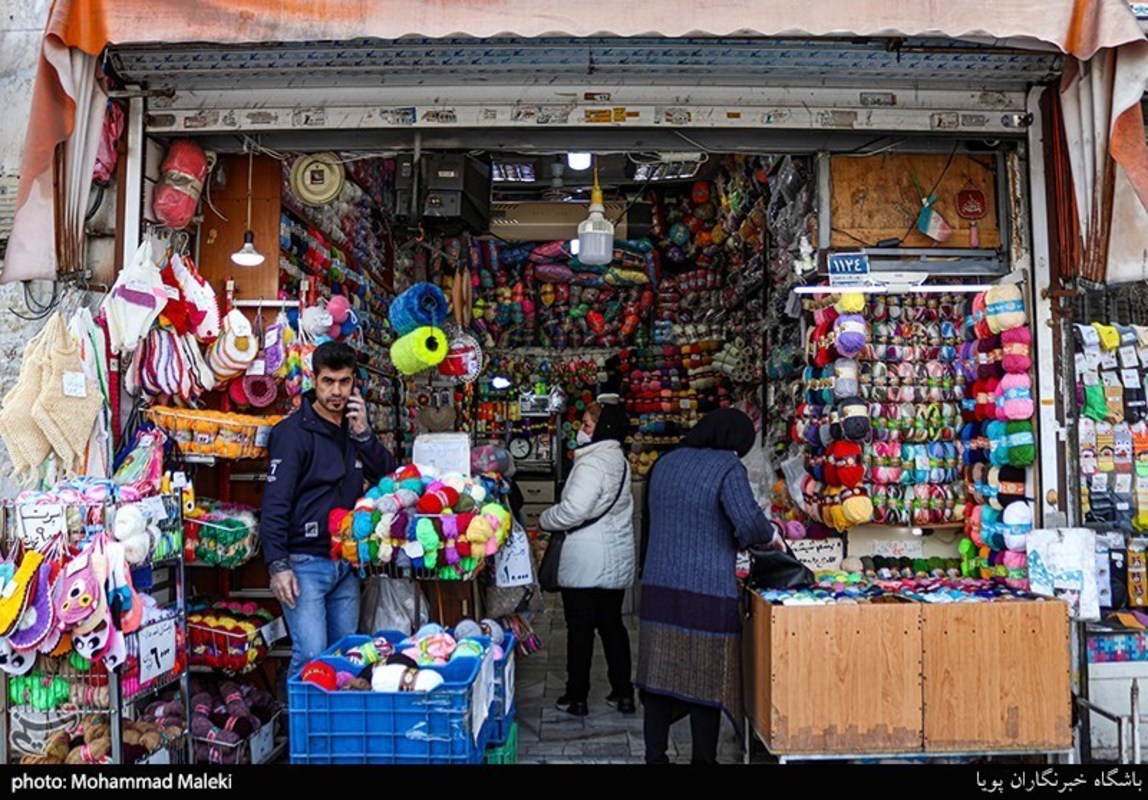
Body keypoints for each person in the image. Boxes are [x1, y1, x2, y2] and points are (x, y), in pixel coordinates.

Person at [637, 408, 783, 764]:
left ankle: (654, 757)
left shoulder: (665, 463)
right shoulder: (726, 468)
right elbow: (749, 525)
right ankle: (703, 759)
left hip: (658, 587)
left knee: (658, 674)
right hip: (706, 591)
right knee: (708, 677)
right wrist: (773, 536)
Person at [260, 341, 396, 680]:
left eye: (344, 382)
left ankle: (335, 732)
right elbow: (274, 503)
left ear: (354, 384)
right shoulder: (291, 434)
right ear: (314, 380)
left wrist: (364, 435)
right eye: (328, 381)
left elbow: (390, 481)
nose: (336, 391)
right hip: (304, 565)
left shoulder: (352, 430)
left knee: (346, 657)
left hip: (345, 563)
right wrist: (278, 565)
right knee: (311, 657)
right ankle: (302, 733)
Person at [540, 402, 636, 716]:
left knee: (580, 629)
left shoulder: (593, 462)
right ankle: (623, 694)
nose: (581, 429)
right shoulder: (619, 460)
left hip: (586, 558)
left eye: (587, 423)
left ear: (603, 428)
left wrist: (546, 519)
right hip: (615, 557)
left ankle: (576, 696)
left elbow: (575, 510)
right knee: (612, 626)